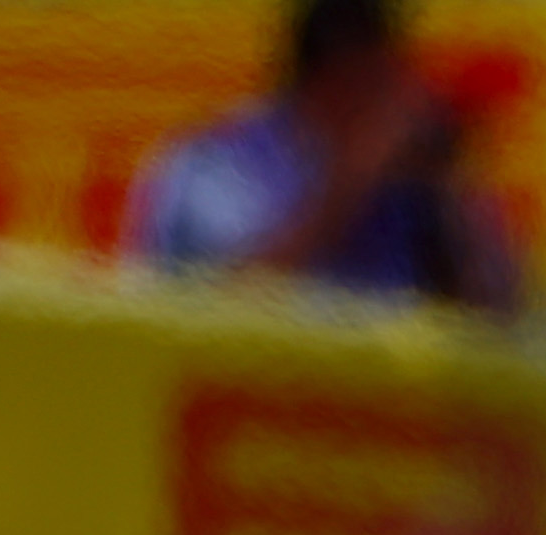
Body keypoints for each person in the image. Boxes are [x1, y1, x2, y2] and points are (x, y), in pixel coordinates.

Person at [125, 0, 517, 313]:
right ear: (325, 81)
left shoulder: (409, 183)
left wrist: (453, 192)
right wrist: (350, 180)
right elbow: (227, 298)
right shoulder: (215, 161)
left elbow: (502, 315)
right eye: (367, 83)